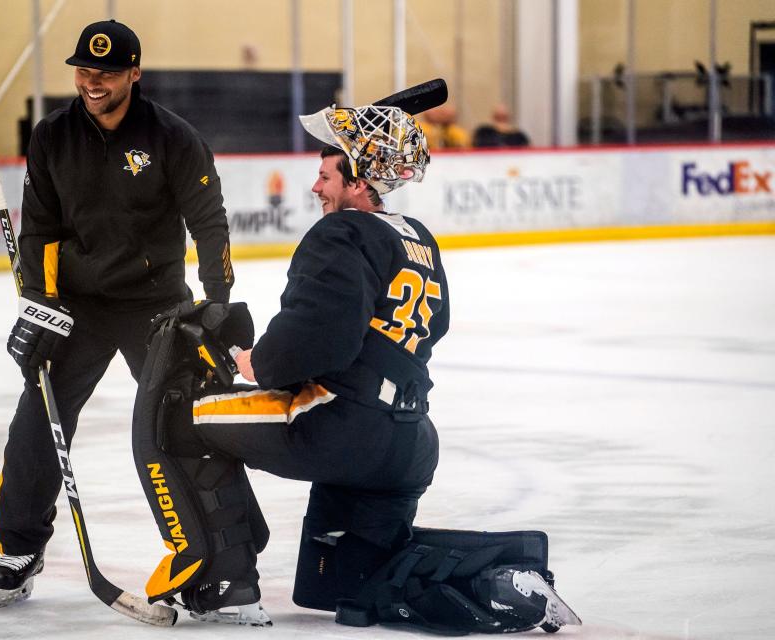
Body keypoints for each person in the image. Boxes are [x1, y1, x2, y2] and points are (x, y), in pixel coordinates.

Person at [134, 102, 580, 633]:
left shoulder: (342, 232)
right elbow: (434, 327)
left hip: (340, 427)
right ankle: (502, 575)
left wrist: (261, 362)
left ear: (359, 183)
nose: (316, 187)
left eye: (325, 175)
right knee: (345, 583)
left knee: (177, 419)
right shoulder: (416, 237)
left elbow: (321, 334)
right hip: (407, 445)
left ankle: (225, 583)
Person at [0, 19, 233, 608]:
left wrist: (217, 300)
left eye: (107, 72)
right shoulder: (52, 136)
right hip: (77, 303)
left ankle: (214, 556)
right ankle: (21, 544)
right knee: (38, 418)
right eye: (84, 71)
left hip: (156, 305)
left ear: (134, 74)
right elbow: (40, 231)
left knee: (180, 425)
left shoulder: (173, 137)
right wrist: (40, 309)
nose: (92, 82)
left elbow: (209, 221)